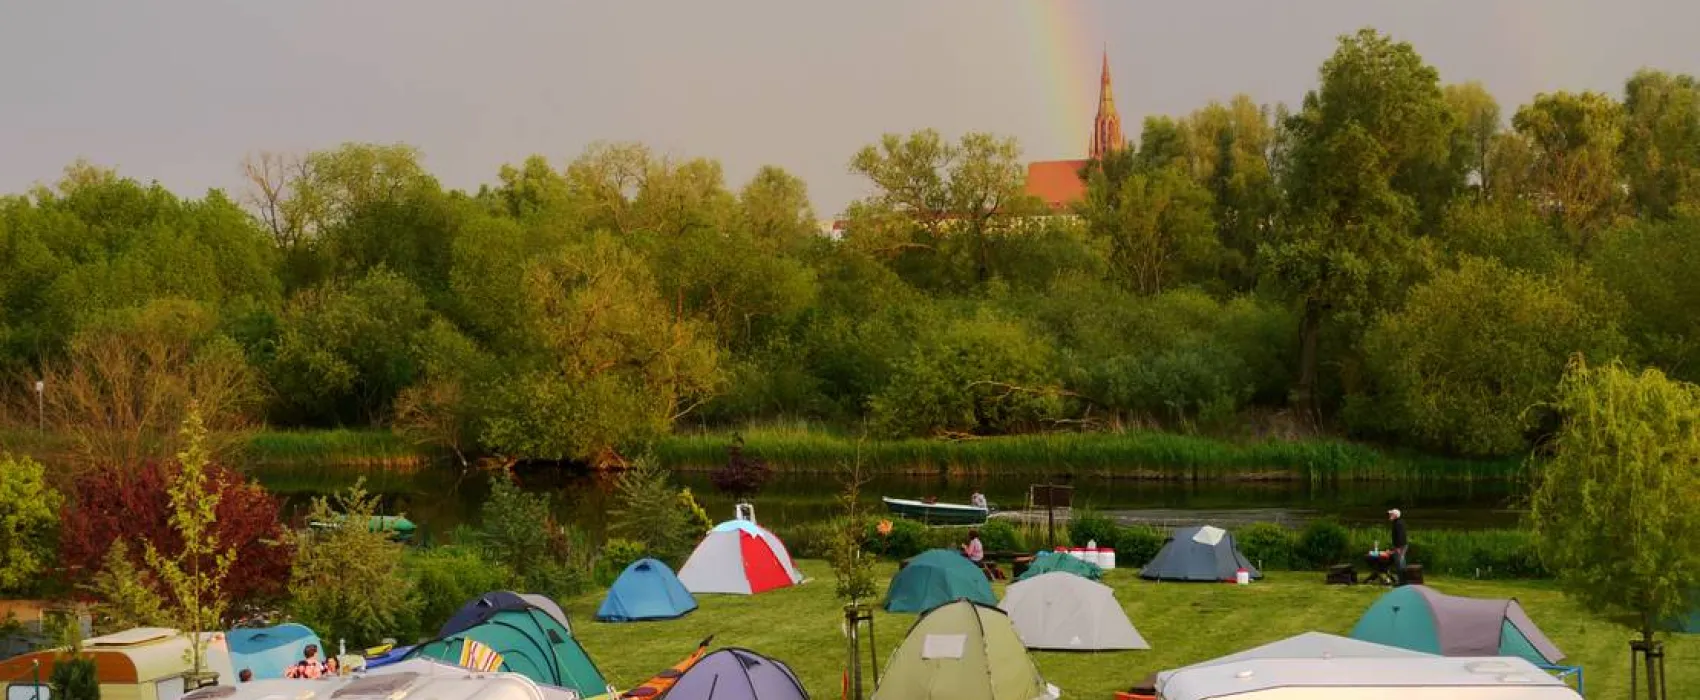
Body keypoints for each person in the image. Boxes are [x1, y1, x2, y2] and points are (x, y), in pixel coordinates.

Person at [1388, 509, 1409, 582]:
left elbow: (1400, 536)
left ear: (1395, 515)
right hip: (1401, 545)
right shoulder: (1398, 522)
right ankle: (1403, 580)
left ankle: (1402, 581)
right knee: (1401, 562)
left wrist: (1398, 547)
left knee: (1400, 563)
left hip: (1400, 546)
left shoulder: (1398, 523)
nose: (1389, 515)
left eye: (1391, 514)